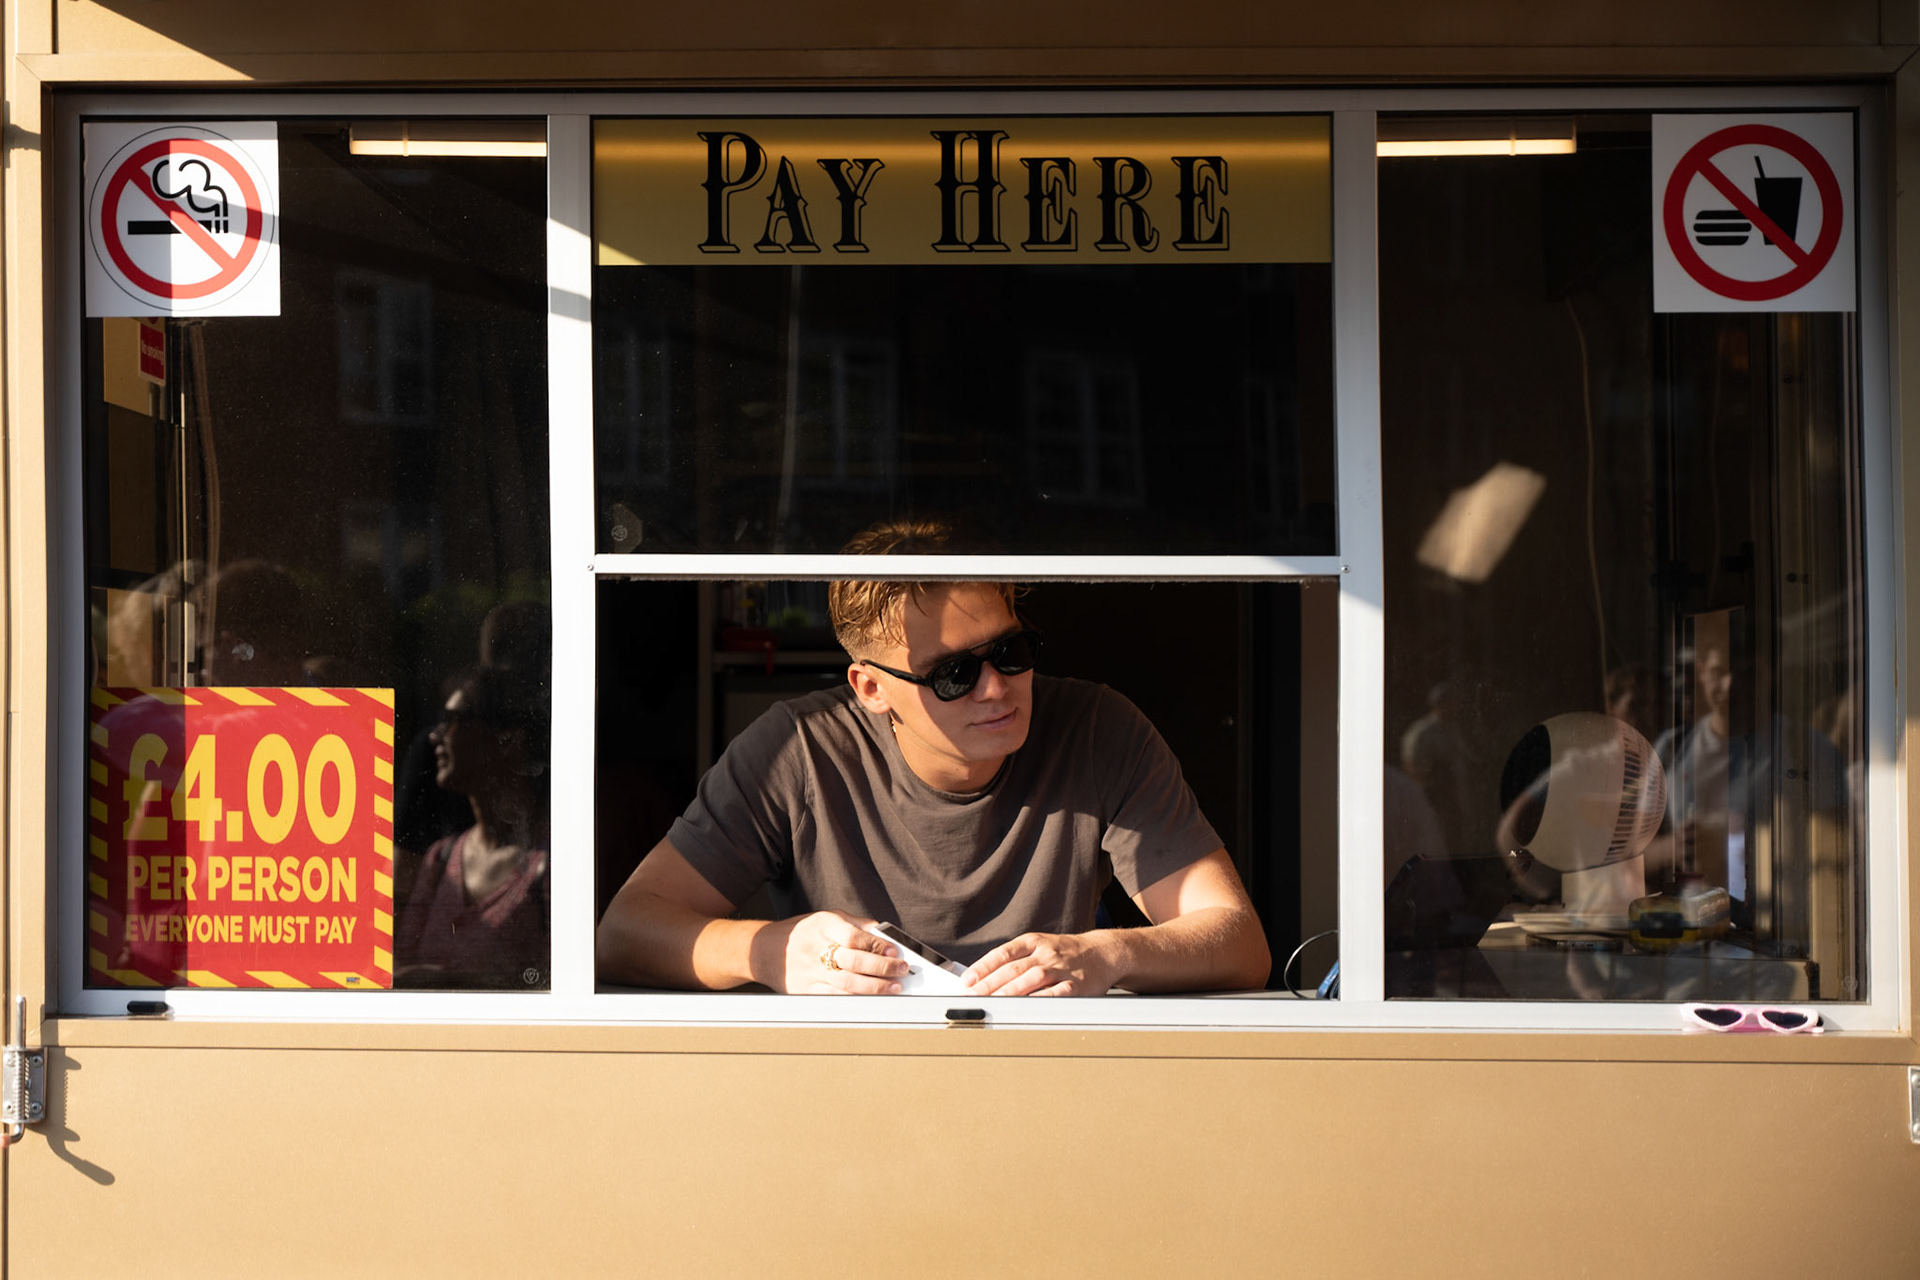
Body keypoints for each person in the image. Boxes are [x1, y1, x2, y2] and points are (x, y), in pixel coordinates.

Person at [595, 520, 1270, 996]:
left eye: (1010, 652)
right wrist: (771, 951)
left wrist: (1107, 953)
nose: (997, 688)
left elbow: (1239, 943)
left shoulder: (1097, 729)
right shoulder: (795, 749)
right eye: (954, 674)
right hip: (849, 1081)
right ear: (870, 689)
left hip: (1042, 1074)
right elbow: (625, 932)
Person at [395, 665, 551, 988]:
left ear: (509, 739)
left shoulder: (550, 864)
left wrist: (445, 980)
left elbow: (558, 982)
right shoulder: (440, 859)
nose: (435, 736)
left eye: (453, 720)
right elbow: (401, 965)